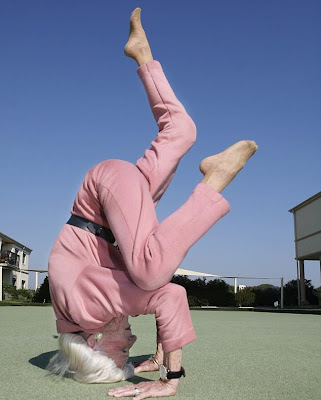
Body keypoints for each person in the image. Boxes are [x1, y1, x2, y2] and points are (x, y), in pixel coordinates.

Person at [47, 8, 258, 399]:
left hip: (105, 198)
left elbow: (166, 294)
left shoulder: (86, 310)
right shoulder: (74, 317)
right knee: (180, 132)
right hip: (116, 203)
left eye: (121, 350)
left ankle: (216, 180)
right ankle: (142, 53)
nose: (130, 342)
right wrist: (161, 345)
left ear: (93, 342)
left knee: (150, 272)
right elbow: (136, 290)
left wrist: (171, 377)